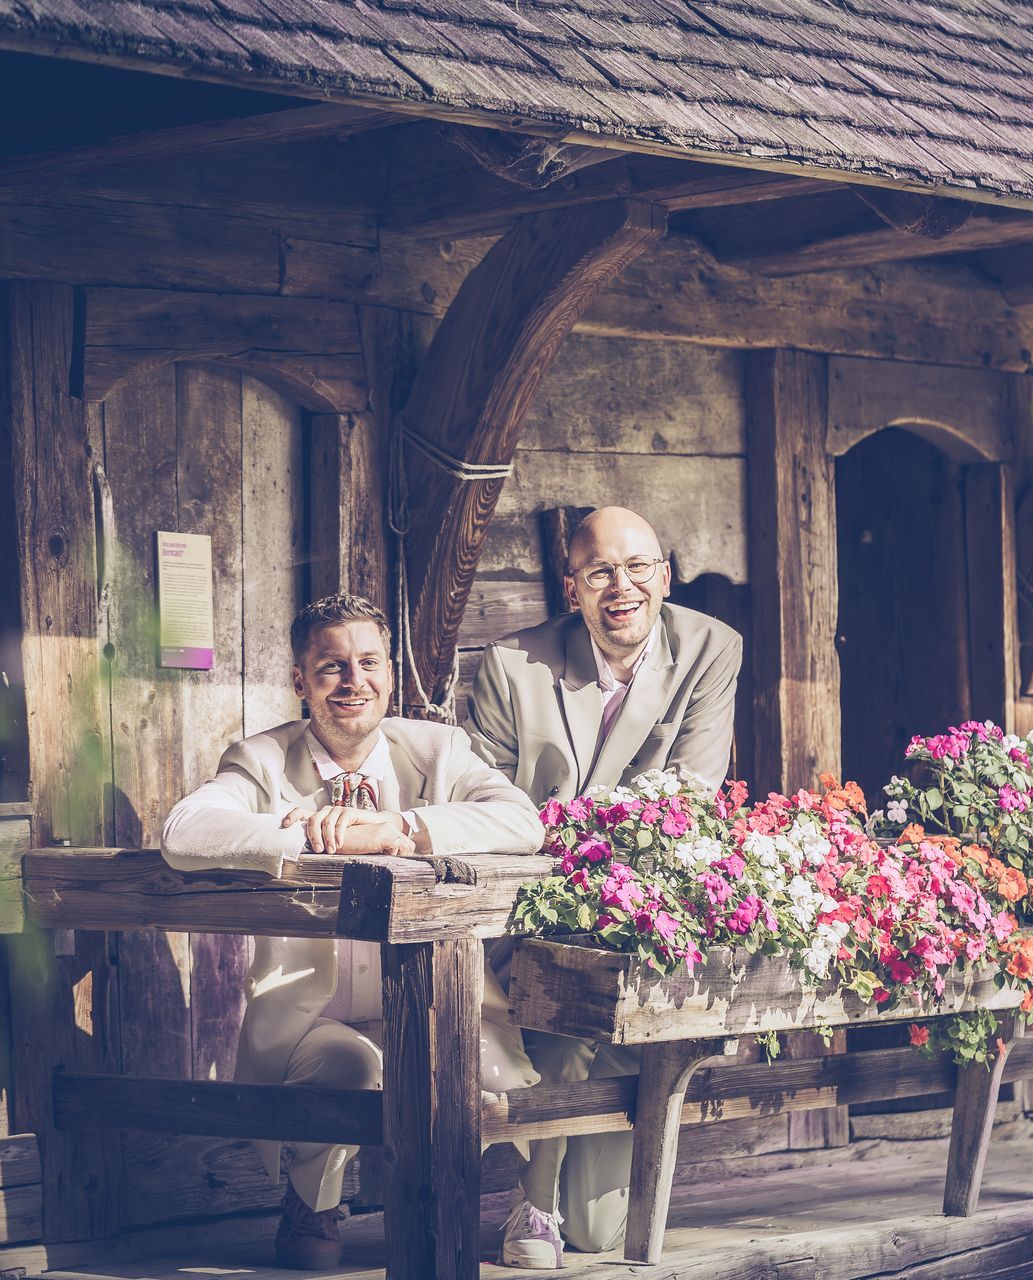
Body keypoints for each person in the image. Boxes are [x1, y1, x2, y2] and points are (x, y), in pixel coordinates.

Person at [162, 594, 544, 1271]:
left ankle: (446, 1198)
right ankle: (313, 1203)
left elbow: (523, 822)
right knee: (349, 1066)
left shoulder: (439, 749)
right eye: (331, 666)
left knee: (471, 1071)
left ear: (390, 674)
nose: (353, 681)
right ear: (300, 680)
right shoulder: (260, 759)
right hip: (314, 1014)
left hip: (435, 1003)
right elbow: (183, 834)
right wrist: (303, 831)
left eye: (368, 663)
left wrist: (404, 827)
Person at [467, 506, 742, 1268]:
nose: (621, 587)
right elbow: (483, 796)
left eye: (637, 568)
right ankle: (535, 1203)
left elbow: (690, 791)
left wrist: (607, 867)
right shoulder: (513, 664)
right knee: (558, 983)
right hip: (533, 903)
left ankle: (560, 1195)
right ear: (573, 587)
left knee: (599, 1232)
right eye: (599, 573)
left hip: (643, 903)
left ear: (665, 575)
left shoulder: (712, 648)